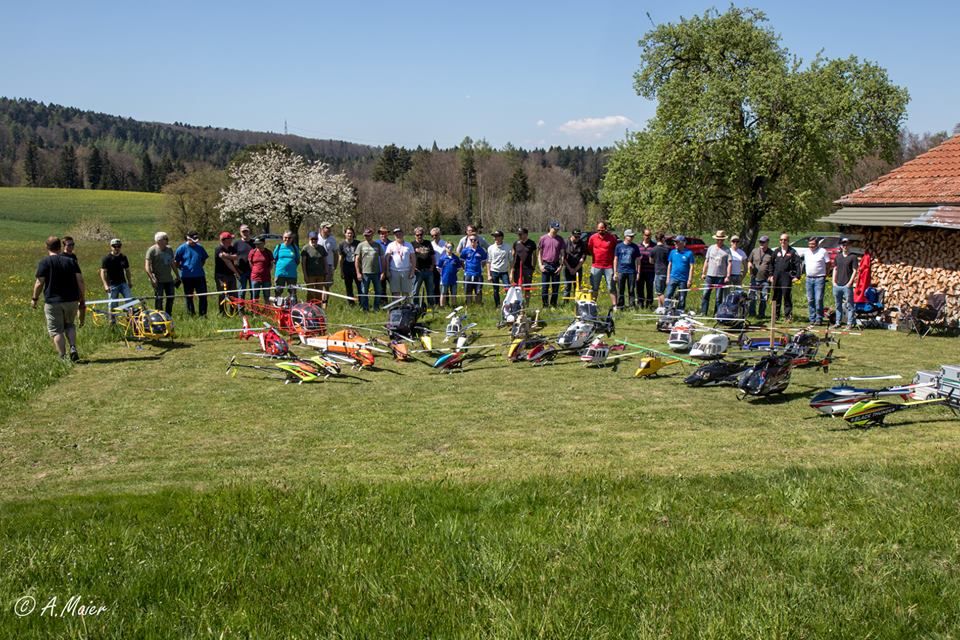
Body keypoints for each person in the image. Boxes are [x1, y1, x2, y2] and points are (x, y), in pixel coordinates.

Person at [32, 236, 85, 361]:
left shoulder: (44, 262)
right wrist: (82, 298)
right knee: (70, 325)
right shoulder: (71, 261)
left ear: (47, 247)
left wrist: (35, 298)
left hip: (53, 301)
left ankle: (63, 357)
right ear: (60, 247)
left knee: (57, 331)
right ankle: (73, 347)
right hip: (72, 300)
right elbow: (80, 281)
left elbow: (39, 283)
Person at [174, 231, 209, 316]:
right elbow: (176, 262)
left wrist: (198, 267)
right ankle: (191, 314)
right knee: (189, 297)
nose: (195, 241)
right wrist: (182, 269)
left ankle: (203, 314)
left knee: (203, 296)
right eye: (193, 239)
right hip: (186, 277)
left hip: (200, 276)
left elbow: (203, 259)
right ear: (188, 238)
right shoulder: (181, 248)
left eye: (196, 239)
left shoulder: (200, 248)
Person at [145, 231, 179, 314]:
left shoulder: (169, 249)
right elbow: (147, 266)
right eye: (165, 239)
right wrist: (152, 279)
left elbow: (172, 263)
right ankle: (159, 316)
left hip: (169, 279)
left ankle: (168, 315)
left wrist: (178, 275)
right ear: (159, 240)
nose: (167, 240)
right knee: (159, 299)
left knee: (171, 298)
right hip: (158, 280)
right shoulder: (152, 250)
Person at [700, 230, 731, 316]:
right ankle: (703, 312)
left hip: (721, 276)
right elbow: (706, 260)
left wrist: (727, 276)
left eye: (721, 239)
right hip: (710, 275)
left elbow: (729, 263)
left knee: (718, 297)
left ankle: (717, 313)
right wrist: (703, 272)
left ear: (723, 240)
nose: (719, 241)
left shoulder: (727, 250)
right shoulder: (711, 248)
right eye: (718, 239)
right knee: (705, 294)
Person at [587, 220, 618, 307]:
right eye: (599, 230)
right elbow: (589, 249)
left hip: (609, 266)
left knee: (611, 287)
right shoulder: (592, 238)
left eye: (602, 229)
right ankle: (593, 305)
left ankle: (614, 306)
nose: (600, 231)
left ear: (606, 229)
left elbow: (616, 250)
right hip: (596, 266)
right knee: (594, 287)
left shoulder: (612, 238)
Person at [100, 238, 133, 321]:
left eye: (119, 246)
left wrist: (129, 281)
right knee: (113, 305)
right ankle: (112, 322)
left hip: (123, 283)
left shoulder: (123, 257)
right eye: (114, 246)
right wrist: (105, 285)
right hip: (112, 285)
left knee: (130, 301)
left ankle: (131, 320)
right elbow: (103, 272)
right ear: (111, 247)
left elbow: (127, 270)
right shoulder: (107, 258)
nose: (117, 248)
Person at [771, 233, 801, 322]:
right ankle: (775, 316)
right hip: (777, 277)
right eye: (781, 240)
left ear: (788, 241)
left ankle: (788, 316)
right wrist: (770, 275)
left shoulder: (792, 252)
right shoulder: (776, 251)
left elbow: (798, 264)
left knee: (787, 296)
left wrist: (797, 276)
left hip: (787, 277)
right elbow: (771, 264)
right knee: (776, 297)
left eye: (785, 240)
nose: (783, 242)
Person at [355, 228, 385, 311]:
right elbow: (357, 259)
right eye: (365, 235)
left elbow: (382, 259)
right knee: (364, 292)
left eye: (368, 235)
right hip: (365, 273)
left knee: (378, 291)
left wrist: (383, 272)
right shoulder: (361, 245)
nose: (367, 237)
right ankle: (365, 308)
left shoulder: (377, 245)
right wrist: (358, 273)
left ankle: (376, 307)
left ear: (372, 235)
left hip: (376, 272)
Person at [832, 237, 858, 329]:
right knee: (838, 305)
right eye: (843, 244)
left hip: (847, 285)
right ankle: (838, 322)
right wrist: (833, 281)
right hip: (837, 285)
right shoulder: (838, 257)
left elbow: (855, 271)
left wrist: (849, 283)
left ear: (849, 245)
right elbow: (835, 269)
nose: (845, 246)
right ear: (841, 246)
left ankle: (850, 323)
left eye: (847, 244)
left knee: (850, 305)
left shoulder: (853, 257)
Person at [538, 222, 566, 307]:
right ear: (550, 227)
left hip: (556, 265)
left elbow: (562, 254)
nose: (556, 231)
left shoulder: (560, 239)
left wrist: (561, 266)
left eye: (557, 229)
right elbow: (539, 253)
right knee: (545, 287)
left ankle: (553, 304)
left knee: (555, 287)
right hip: (546, 264)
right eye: (554, 229)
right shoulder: (543, 238)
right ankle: (545, 305)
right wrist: (540, 265)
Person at [803, 237, 830, 324]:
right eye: (810, 244)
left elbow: (828, 263)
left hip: (820, 278)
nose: (811, 246)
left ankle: (819, 318)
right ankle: (812, 318)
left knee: (818, 299)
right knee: (810, 299)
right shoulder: (806, 252)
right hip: (809, 278)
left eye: (813, 244)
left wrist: (826, 273)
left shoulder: (823, 251)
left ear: (817, 244)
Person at [665, 235, 695, 310]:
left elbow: (691, 267)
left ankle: (680, 310)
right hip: (673, 277)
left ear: (683, 243)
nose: (675, 244)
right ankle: (666, 309)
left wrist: (689, 280)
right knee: (668, 294)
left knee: (682, 296)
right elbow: (669, 265)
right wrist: (668, 277)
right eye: (674, 242)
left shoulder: (689, 253)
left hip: (683, 279)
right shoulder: (672, 252)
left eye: (677, 242)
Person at [747, 235, 774, 318]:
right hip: (754, 278)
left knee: (764, 297)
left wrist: (771, 276)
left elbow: (773, 266)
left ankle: (761, 314)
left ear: (767, 243)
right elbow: (749, 261)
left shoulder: (771, 253)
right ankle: (752, 313)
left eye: (763, 242)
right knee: (752, 296)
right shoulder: (754, 251)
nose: (761, 243)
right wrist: (750, 265)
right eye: (760, 242)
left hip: (765, 279)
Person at [214, 231, 240, 315]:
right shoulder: (218, 249)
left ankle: (234, 312)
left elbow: (236, 257)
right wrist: (236, 272)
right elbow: (227, 262)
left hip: (231, 275)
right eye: (230, 238)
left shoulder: (231, 248)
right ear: (225, 240)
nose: (232, 240)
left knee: (234, 294)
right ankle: (223, 313)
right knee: (223, 294)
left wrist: (227, 256)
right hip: (221, 276)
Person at [613, 229, 641, 309]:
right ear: (625, 236)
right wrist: (615, 272)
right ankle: (620, 305)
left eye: (632, 236)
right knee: (620, 289)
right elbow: (615, 259)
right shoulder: (619, 246)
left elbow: (638, 260)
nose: (632, 237)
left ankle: (631, 305)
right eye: (630, 236)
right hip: (621, 271)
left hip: (631, 271)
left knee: (631, 290)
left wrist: (638, 272)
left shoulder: (635, 247)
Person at [385, 228, 415, 300]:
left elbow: (413, 259)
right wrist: (387, 271)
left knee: (406, 292)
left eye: (400, 233)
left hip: (406, 271)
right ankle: (396, 308)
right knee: (395, 292)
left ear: (403, 234)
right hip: (394, 271)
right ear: (394, 235)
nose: (398, 235)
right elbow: (386, 259)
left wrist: (412, 271)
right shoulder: (390, 245)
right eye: (396, 234)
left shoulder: (409, 245)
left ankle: (406, 308)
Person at [411, 226, 436, 306]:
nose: (419, 236)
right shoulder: (412, 244)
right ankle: (416, 306)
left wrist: (432, 266)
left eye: (421, 234)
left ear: (423, 235)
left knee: (430, 290)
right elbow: (409, 258)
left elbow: (432, 256)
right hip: (417, 271)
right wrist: (413, 267)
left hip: (428, 270)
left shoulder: (428, 243)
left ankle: (431, 306)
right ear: (415, 235)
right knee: (415, 290)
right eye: (417, 235)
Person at [299, 231, 327, 302]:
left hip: (320, 274)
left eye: (315, 239)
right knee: (311, 293)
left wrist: (326, 272)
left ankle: (318, 308)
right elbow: (303, 263)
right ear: (309, 239)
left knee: (319, 293)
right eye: (312, 239)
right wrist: (305, 275)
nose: (314, 240)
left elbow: (325, 261)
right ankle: (309, 307)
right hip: (310, 275)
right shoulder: (306, 248)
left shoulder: (321, 248)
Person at [460, 235, 488, 304]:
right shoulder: (465, 250)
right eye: (471, 240)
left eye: (474, 240)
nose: (473, 241)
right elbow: (461, 260)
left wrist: (481, 268)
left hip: (478, 274)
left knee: (478, 291)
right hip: (468, 274)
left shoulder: (481, 250)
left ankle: (478, 305)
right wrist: (464, 269)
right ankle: (468, 305)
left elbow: (484, 261)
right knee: (468, 291)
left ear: (477, 240)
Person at [487, 230, 512, 307]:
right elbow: (489, 261)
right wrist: (488, 274)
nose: (495, 238)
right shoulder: (491, 248)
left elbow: (511, 261)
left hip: (504, 271)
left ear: (501, 237)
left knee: (508, 289)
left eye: (497, 236)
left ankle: (508, 305)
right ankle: (497, 305)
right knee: (495, 290)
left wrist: (511, 273)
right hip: (494, 271)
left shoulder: (507, 247)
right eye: (494, 237)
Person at [511, 228, 537, 302]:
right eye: (518, 234)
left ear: (526, 234)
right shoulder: (516, 243)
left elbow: (534, 256)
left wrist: (533, 267)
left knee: (527, 287)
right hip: (517, 269)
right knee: (517, 287)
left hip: (528, 268)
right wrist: (512, 269)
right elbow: (512, 256)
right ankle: (517, 303)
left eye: (520, 234)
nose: (519, 236)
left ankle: (527, 303)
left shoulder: (532, 243)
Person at [273, 231, 299, 300]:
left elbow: (297, 260)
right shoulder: (278, 247)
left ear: (292, 239)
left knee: (293, 293)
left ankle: (292, 308)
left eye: (289, 238)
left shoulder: (294, 247)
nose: (287, 239)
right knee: (278, 292)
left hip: (292, 275)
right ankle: (277, 309)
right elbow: (274, 259)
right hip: (280, 274)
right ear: (283, 238)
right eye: (285, 237)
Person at [563, 229, 586, 300]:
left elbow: (583, 258)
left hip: (578, 268)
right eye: (575, 237)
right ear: (571, 235)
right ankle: (566, 303)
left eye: (579, 237)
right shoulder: (566, 242)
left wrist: (576, 269)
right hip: (567, 267)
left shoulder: (582, 243)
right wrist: (570, 269)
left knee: (577, 286)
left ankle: (577, 302)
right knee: (567, 286)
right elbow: (562, 257)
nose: (577, 238)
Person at [248, 236, 273, 302]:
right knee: (255, 296)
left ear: (263, 243)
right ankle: (256, 311)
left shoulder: (268, 252)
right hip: (255, 278)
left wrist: (266, 271)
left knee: (267, 295)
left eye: (259, 243)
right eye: (256, 244)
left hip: (266, 278)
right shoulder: (252, 252)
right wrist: (255, 270)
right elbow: (250, 263)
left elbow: (271, 264)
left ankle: (267, 310)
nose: (257, 245)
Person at [338, 227, 359, 305]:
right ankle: (351, 303)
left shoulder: (358, 243)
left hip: (356, 268)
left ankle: (362, 302)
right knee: (348, 287)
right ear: (345, 234)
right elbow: (340, 258)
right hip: (346, 267)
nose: (349, 234)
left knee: (359, 286)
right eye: (348, 233)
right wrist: (341, 271)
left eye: (351, 233)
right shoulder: (341, 244)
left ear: (353, 234)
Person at [319, 222, 339, 303]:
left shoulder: (332, 239)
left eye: (330, 228)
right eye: (327, 228)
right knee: (318, 286)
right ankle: (317, 304)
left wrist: (335, 266)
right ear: (322, 228)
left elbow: (336, 254)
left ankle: (324, 305)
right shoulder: (316, 238)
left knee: (326, 286)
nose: (329, 229)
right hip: (318, 266)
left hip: (329, 265)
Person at [650, 232, 671, 307]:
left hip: (658, 272)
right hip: (667, 272)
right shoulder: (668, 249)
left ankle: (667, 307)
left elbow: (651, 261)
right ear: (663, 239)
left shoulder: (653, 249)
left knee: (659, 292)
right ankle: (660, 307)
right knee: (663, 291)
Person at [234, 224, 254, 299]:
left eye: (246, 231)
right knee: (241, 292)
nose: (245, 233)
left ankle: (253, 310)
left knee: (254, 292)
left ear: (249, 232)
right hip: (241, 271)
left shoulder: (254, 243)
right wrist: (236, 270)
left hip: (253, 271)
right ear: (240, 232)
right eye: (243, 231)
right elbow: (232, 257)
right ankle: (241, 310)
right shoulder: (236, 243)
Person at [637, 229, 656, 308]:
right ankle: (640, 303)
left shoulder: (654, 246)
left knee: (649, 288)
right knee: (639, 288)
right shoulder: (638, 246)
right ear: (643, 235)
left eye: (649, 235)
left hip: (650, 271)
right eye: (646, 235)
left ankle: (649, 304)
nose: (647, 237)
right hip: (640, 271)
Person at [429, 227, 448, 303]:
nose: (434, 237)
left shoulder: (445, 244)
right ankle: (437, 302)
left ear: (439, 234)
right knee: (435, 285)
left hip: (444, 267)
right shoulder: (430, 244)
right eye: (432, 236)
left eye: (436, 235)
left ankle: (446, 301)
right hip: (434, 267)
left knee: (445, 285)